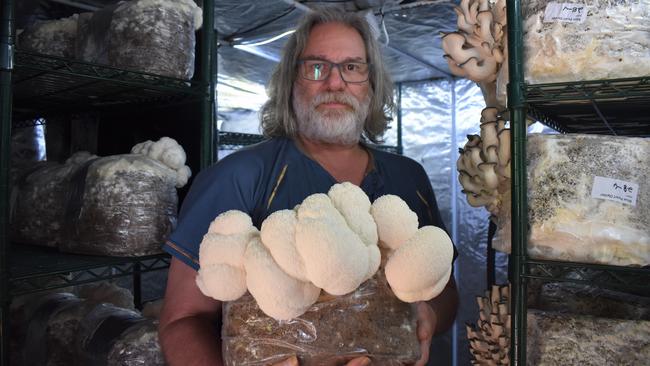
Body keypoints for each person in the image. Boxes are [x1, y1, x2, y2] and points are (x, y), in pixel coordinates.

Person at [159, 7, 458, 366]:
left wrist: (430, 315)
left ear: (372, 84)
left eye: (352, 67)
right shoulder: (238, 178)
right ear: (291, 83)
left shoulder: (409, 178)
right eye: (316, 67)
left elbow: (445, 291)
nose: (335, 83)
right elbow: (182, 321)